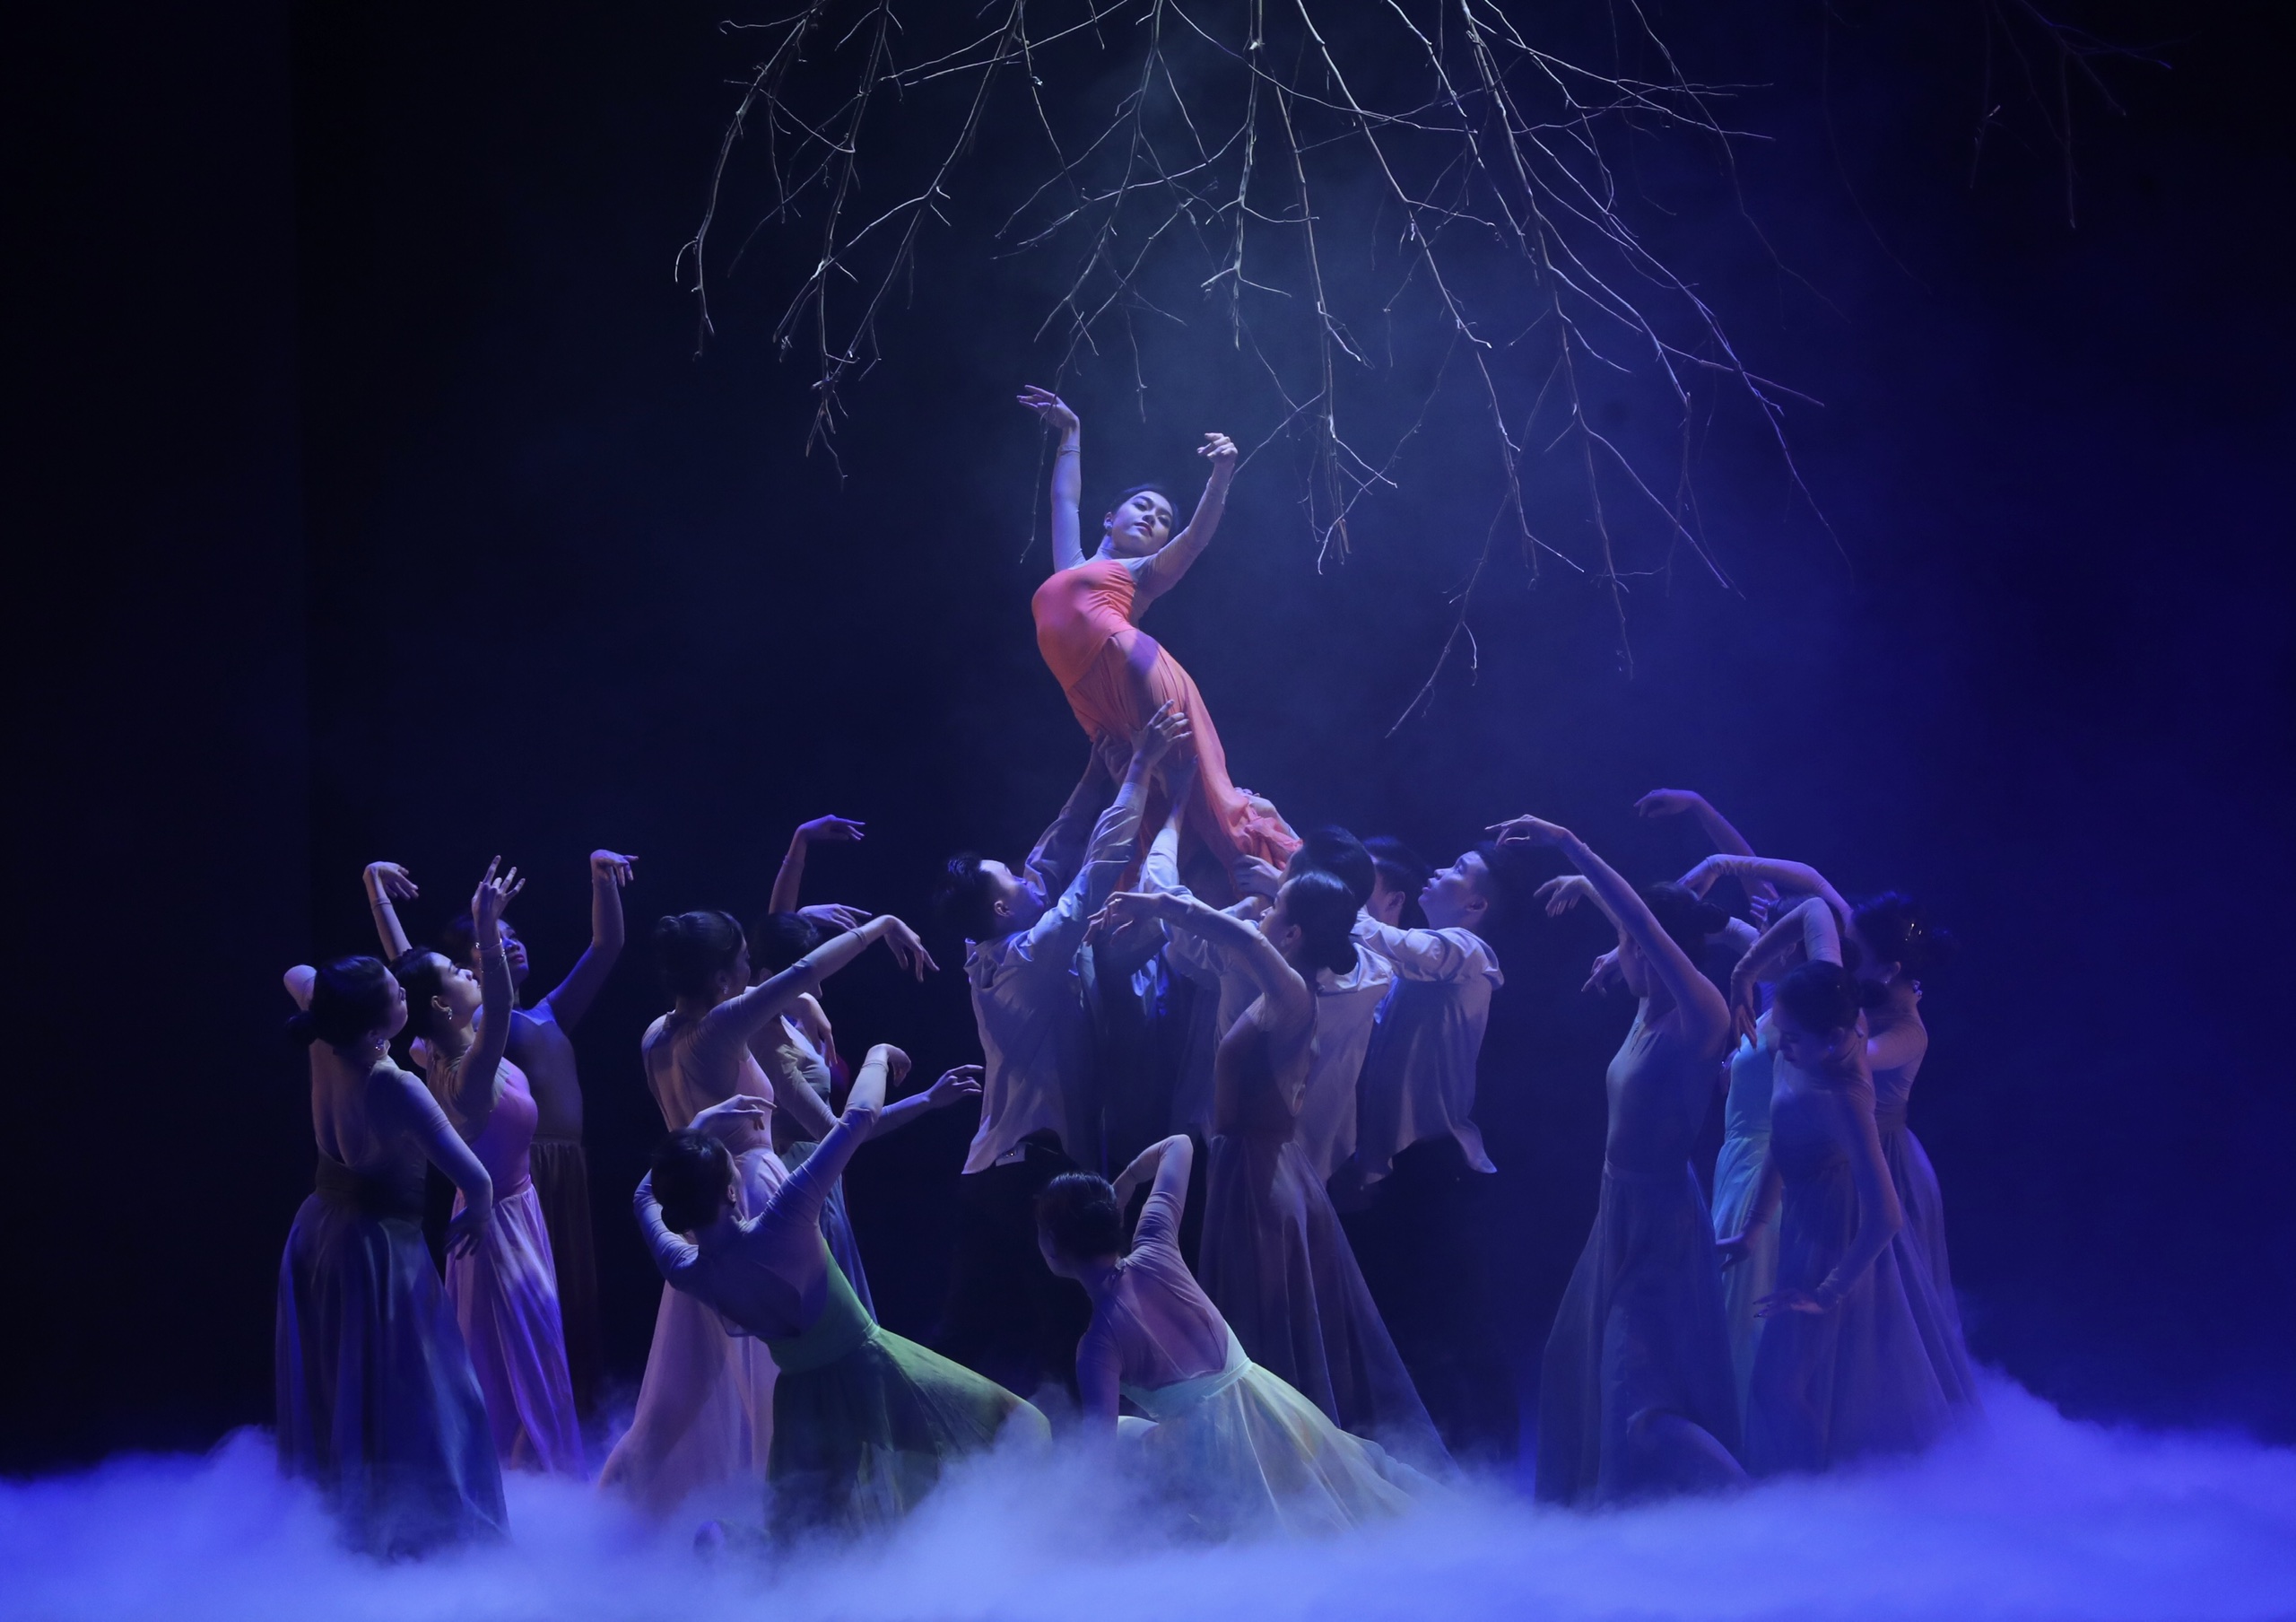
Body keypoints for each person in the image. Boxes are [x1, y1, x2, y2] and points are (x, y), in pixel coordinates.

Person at [1093, 878, 1449, 1472]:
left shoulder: (1293, 994)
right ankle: (1271, 1470)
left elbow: (1240, 938)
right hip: (1257, 1168)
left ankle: (1285, 1474)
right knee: (1263, 1327)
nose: (1263, 912)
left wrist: (1158, 903)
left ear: (1293, 933)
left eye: (1275, 907)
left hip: (1260, 1179)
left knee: (1263, 1335)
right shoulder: (1279, 993)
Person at [598, 906, 935, 1513]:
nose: (751, 971)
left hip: (698, 1212)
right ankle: (786, 1525)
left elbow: (788, 983)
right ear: (722, 979)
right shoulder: (721, 1028)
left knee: (673, 1400)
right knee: (776, 1381)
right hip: (748, 1193)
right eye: (743, 964)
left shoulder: (655, 1036)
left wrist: (799, 998)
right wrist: (882, 925)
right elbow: (803, 969)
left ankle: (604, 1520)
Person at [638, 1048, 1047, 1543]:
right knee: (1020, 1427)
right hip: (873, 1375)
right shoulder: (785, 1218)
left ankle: (723, 1544)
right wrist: (879, 1055)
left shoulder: (685, 1270)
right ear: (730, 1192)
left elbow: (643, 1197)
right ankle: (1025, 1542)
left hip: (804, 1407)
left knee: (811, 1541)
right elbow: (859, 1117)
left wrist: (695, 1130)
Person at [1493, 814, 1745, 1505]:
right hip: (1618, 1212)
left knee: (1640, 1405)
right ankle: (1604, 1515)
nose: (1615, 954)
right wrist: (1592, 896)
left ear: (1649, 946)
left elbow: (1645, 924)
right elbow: (1638, 926)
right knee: (1573, 1362)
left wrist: (1569, 844)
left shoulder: (1699, 1012)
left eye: (1624, 944)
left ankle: (1758, 1507)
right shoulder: (1647, 1004)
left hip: (1661, 1220)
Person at [1036, 1136, 1427, 1539]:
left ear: (1052, 1246)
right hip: (1271, 1404)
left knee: (1125, 1439)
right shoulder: (1157, 1244)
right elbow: (1178, 1145)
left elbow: (1099, 1461)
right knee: (1355, 1490)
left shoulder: (1098, 1346)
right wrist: (1128, 1181)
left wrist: (1068, 1532)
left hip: (1212, 1453)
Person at [365, 850, 634, 1421]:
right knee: (527, 1314)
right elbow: (410, 971)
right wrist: (467, 924)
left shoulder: (546, 1015)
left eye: (514, 936)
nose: (510, 945)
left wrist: (599, 876)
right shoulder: (477, 1033)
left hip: (564, 1172)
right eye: (494, 942)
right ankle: (533, 1428)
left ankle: (574, 1415)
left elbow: (607, 946)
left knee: (566, 1303)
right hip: (520, 1175)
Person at [275, 952, 505, 1554]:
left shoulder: (324, 1035)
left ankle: (344, 1522)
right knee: (431, 1394)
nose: (406, 995)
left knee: (343, 1384)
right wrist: (478, 1216)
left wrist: (326, 989)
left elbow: (298, 974)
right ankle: (433, 1535)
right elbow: (475, 1178)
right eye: (397, 996)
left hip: (316, 1231)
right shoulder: (392, 1083)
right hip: (377, 1250)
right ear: (377, 1028)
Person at [1017, 384, 1296, 879]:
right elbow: (1064, 499)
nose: (1152, 517)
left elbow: (1195, 539)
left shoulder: (1141, 574)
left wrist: (1222, 473)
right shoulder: (1071, 566)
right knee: (1145, 805)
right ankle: (1183, 908)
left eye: (1163, 519)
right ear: (1109, 519)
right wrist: (1071, 432)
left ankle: (1292, 884)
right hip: (1089, 698)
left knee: (1202, 797)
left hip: (1136, 673)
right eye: (1143, 506)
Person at [1726, 929, 1956, 1474]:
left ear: (1833, 1038)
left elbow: (1886, 1215)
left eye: (1791, 1038)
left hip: (1831, 1239)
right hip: (1803, 1226)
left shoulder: (1844, 1095)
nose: (1779, 1045)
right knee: (1796, 1387)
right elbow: (1785, 1141)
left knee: (1779, 1388)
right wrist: (1754, 1227)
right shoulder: (1815, 1033)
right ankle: (1829, 1491)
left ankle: (1834, 1498)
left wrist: (1828, 1292)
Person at [393, 861, 584, 1476]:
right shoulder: (467, 1074)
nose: (470, 969)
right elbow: (496, 1000)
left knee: (510, 1362)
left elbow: (408, 973)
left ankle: (519, 1482)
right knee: (530, 1363)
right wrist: (484, 925)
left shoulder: (432, 1047)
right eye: (458, 971)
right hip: (500, 1228)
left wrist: (376, 895)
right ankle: (544, 1487)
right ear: (440, 1005)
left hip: (509, 1215)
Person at [1847, 893, 1978, 1408]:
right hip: (1850, 1156)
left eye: (1851, 952)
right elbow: (1813, 886)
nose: (1841, 956)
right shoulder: (1870, 983)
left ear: (1889, 968)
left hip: (1888, 1167)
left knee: (1888, 1302)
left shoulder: (1907, 1031)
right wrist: (1729, 862)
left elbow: (1852, 1056)